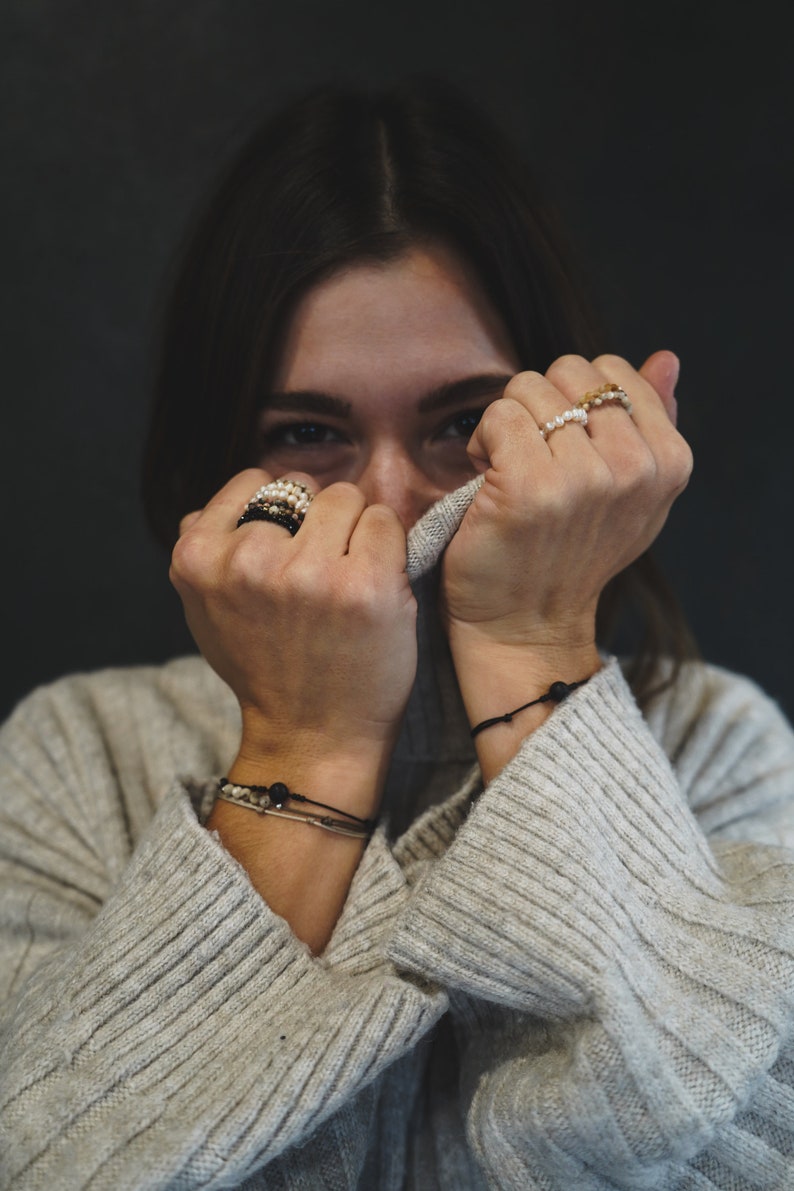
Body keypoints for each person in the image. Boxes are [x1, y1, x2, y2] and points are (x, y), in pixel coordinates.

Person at [2, 79, 793, 1191]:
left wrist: (529, 644)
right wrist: (303, 746)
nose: (388, 499)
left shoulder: (710, 750)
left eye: (461, 423)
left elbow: (738, 1162)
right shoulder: (79, 757)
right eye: (309, 432)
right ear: (221, 454)